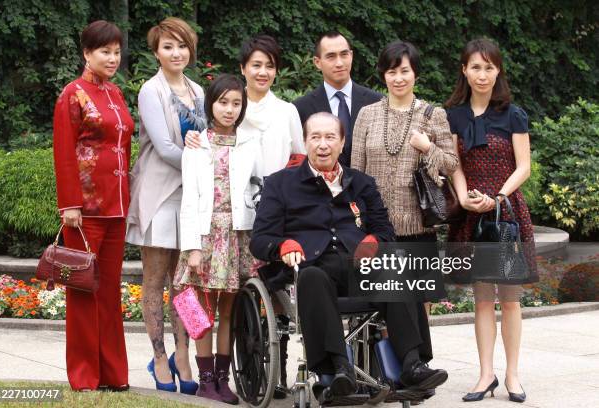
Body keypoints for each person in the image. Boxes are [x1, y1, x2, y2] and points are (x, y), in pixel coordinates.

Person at [250, 112, 448, 401]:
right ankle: (339, 370)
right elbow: (260, 240)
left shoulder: (362, 183)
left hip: (359, 266)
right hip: (311, 267)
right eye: (315, 137)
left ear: (342, 143)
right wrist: (283, 245)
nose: (322, 144)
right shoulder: (281, 184)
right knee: (313, 277)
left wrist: (374, 240)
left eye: (330, 137)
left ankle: (412, 365)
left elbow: (384, 230)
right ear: (305, 142)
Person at [444, 38, 536, 403]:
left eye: (489, 67)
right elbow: (454, 165)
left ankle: (512, 375)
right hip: (471, 215)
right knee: (482, 300)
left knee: (510, 300)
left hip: (506, 214)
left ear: (498, 71)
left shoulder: (514, 114)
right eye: (475, 67)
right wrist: (465, 196)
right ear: (464, 70)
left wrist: (497, 197)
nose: (482, 74)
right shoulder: (453, 115)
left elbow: (524, 166)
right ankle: (485, 375)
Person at [126, 17, 206, 394]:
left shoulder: (198, 90)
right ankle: (159, 356)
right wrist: (206, 164)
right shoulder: (149, 91)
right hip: (160, 195)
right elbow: (165, 147)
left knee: (185, 284)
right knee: (156, 282)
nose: (176, 53)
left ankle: (183, 353)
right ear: (156, 52)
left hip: (191, 198)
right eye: (168, 47)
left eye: (182, 45)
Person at [52, 20, 133, 391]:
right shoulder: (73, 93)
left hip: (116, 209)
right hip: (84, 211)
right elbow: (64, 151)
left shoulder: (116, 94)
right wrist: (70, 203)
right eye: (105, 51)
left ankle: (113, 375)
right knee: (83, 291)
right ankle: (85, 376)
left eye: (116, 51)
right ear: (87, 53)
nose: (112, 58)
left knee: (109, 291)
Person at [351, 41, 458, 309]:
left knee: (420, 309)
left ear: (416, 74)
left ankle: (419, 354)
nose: (398, 78)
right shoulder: (367, 115)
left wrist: (428, 147)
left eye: (404, 71)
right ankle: (387, 354)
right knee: (384, 308)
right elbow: (355, 172)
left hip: (419, 227)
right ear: (383, 75)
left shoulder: (434, 115)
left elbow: (451, 164)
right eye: (391, 72)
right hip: (377, 228)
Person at [173, 74, 259, 404]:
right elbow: (190, 199)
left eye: (236, 103)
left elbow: (257, 185)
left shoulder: (250, 143)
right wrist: (192, 247)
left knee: (229, 312)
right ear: (211, 104)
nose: (229, 109)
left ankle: (224, 381)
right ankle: (205, 380)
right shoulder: (196, 144)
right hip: (205, 237)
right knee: (200, 312)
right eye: (223, 102)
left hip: (237, 235)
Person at [293, 31, 382, 167]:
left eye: (344, 54)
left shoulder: (377, 102)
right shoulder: (300, 108)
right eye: (331, 57)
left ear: (351, 56)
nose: (339, 63)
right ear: (317, 62)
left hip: (368, 185)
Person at [237, 34, 306, 176]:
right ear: (243, 68)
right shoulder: (231, 110)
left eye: (270, 66)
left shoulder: (287, 111)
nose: (263, 72)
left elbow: (300, 157)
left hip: (278, 195)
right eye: (256, 65)